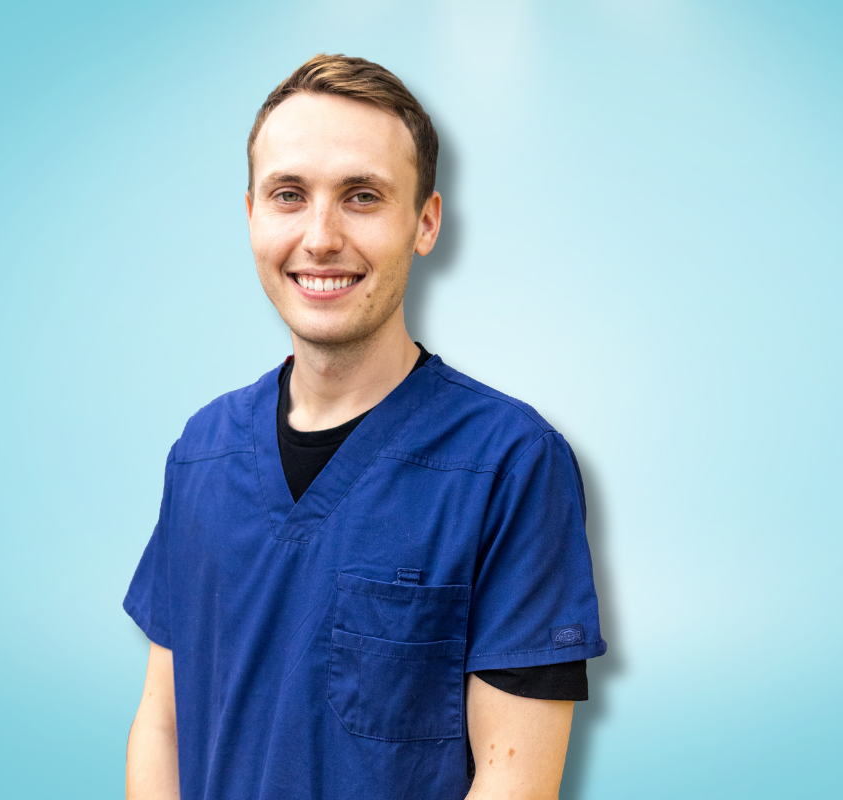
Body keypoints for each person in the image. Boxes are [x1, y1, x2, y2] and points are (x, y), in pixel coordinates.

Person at [123, 54, 606, 800]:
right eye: (289, 194)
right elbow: (163, 722)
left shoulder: (510, 465)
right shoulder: (202, 453)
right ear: (251, 214)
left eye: (361, 196)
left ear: (425, 222)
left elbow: (516, 783)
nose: (320, 237)